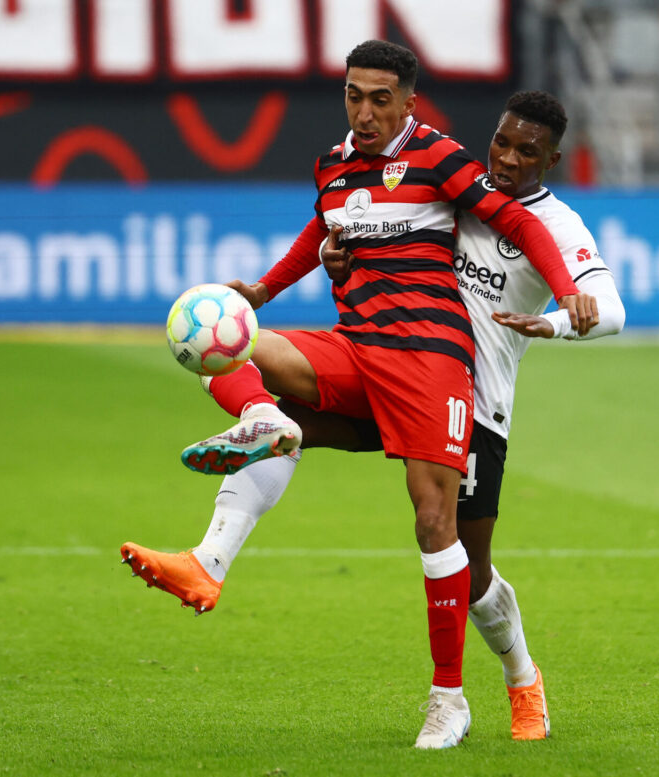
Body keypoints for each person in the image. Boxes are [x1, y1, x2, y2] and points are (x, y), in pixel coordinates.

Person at [121, 41, 587, 750]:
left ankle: (451, 699)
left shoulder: (441, 158)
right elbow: (321, 228)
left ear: (407, 102)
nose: (363, 112)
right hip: (357, 347)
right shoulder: (335, 165)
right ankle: (217, 538)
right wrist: (264, 291)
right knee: (232, 337)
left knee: (441, 529)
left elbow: (519, 221)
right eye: (352, 95)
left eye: (378, 98)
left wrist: (569, 291)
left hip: (432, 362)